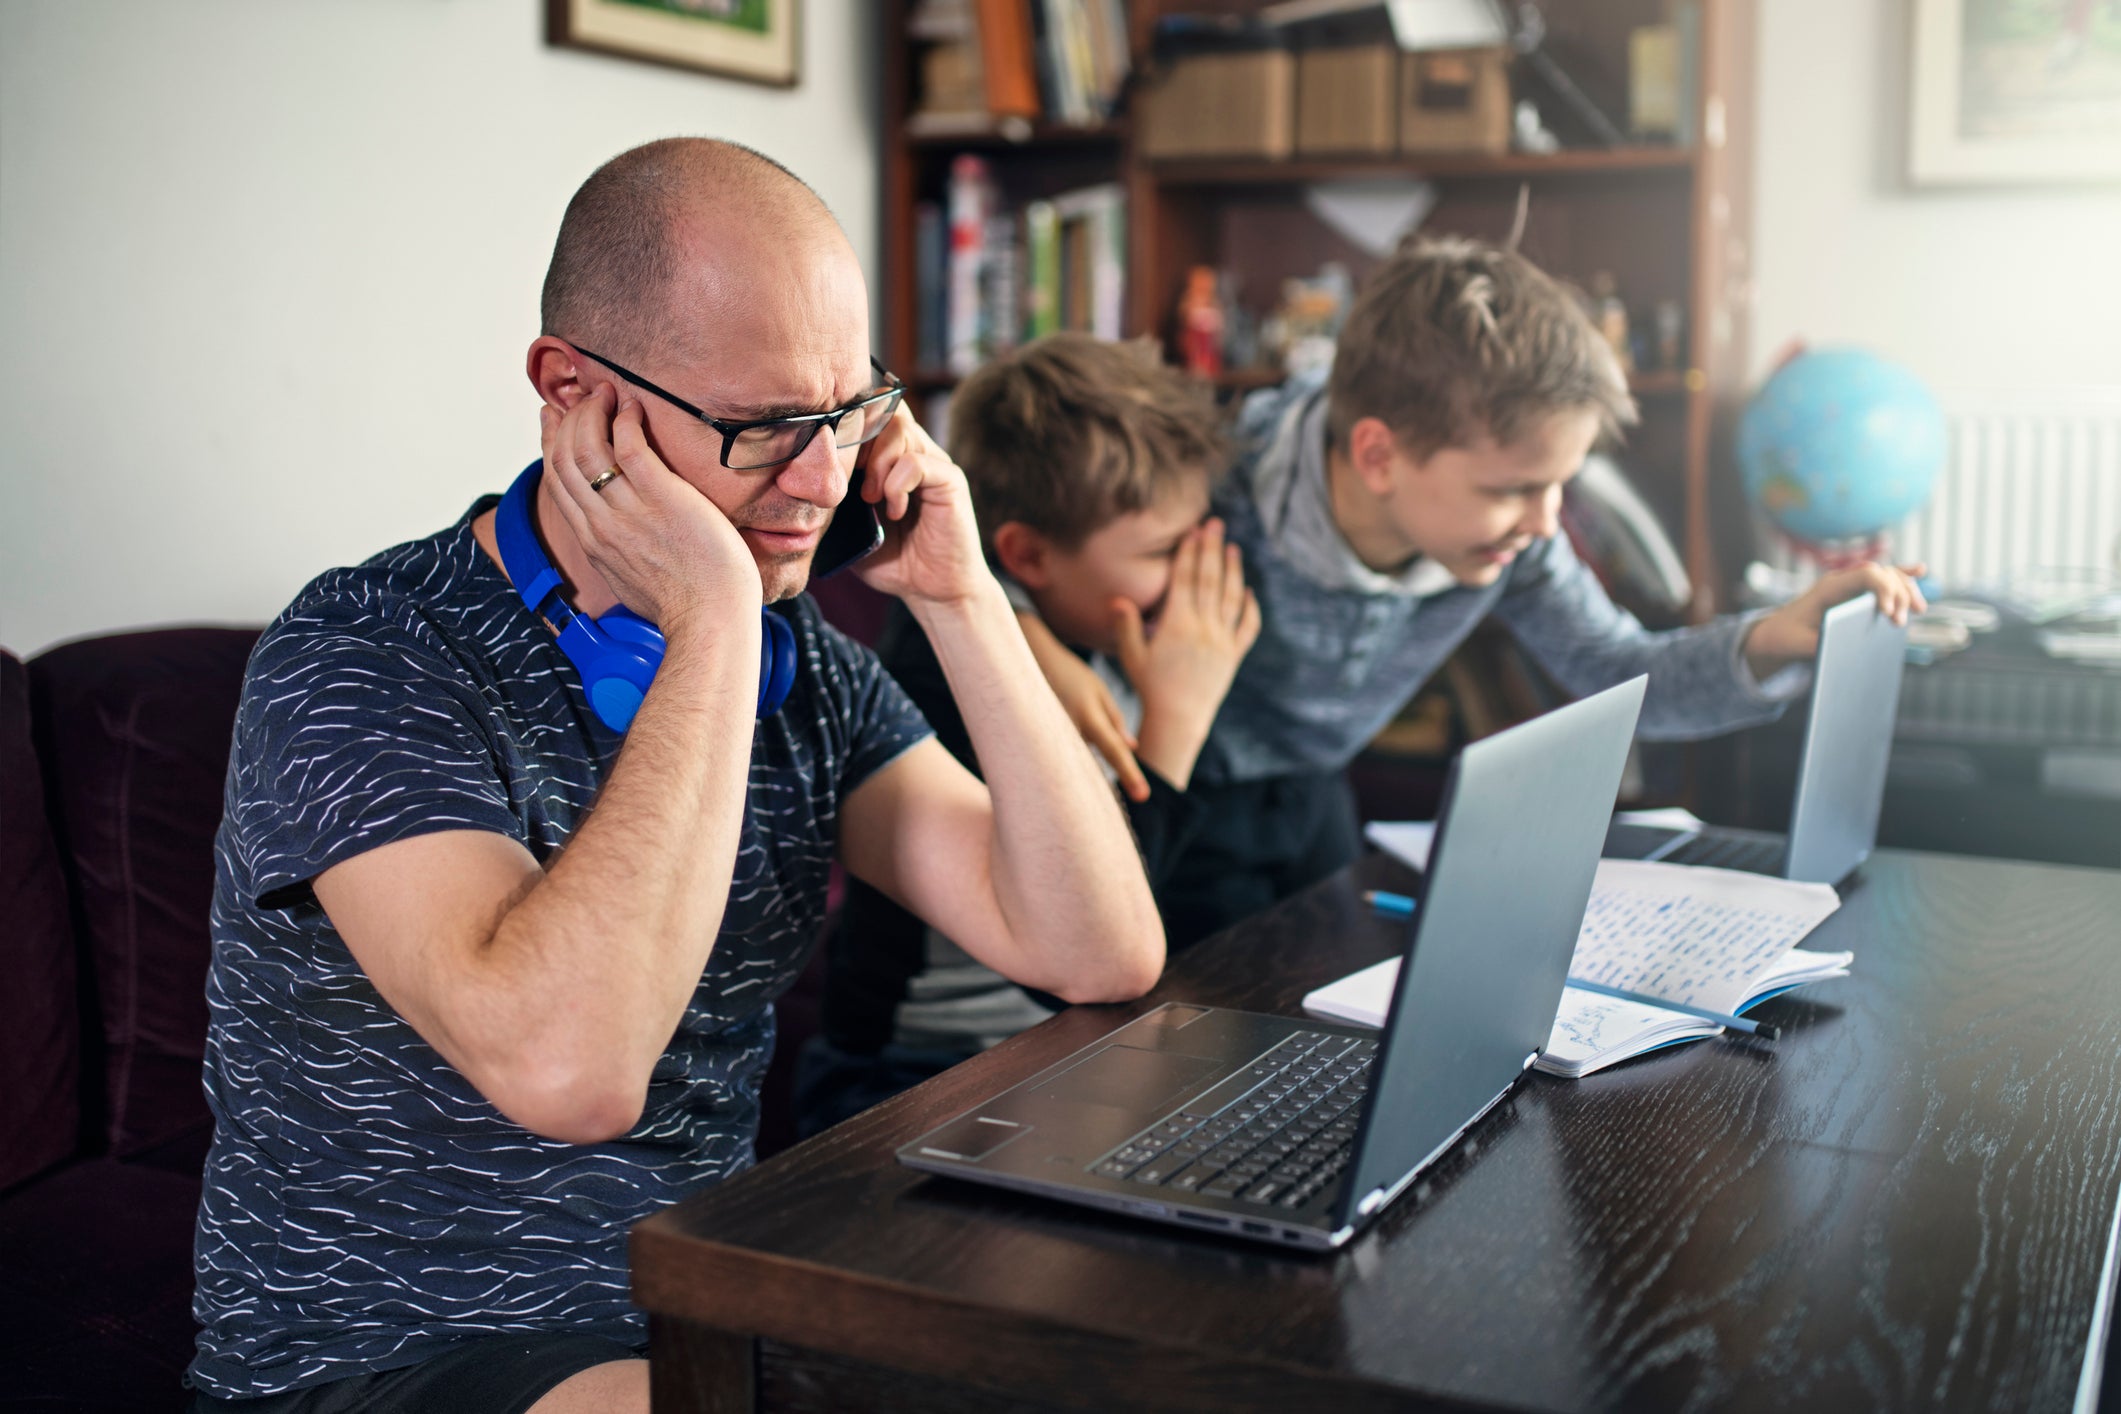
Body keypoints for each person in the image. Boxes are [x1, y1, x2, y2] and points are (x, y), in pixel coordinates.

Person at [185, 139, 1163, 1414]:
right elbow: (569, 1072)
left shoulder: (804, 661)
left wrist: (967, 601)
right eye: (761, 429)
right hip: (392, 1351)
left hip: (700, 1300)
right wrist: (709, 617)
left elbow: (1099, 951)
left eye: (848, 412)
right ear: (572, 391)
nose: (819, 481)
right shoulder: (361, 654)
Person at [1027, 236, 1925, 916]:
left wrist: (1769, 640)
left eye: (1559, 486)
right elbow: (977, 526)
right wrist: (1036, 644)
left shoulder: (1511, 543)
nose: (1544, 524)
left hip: (1312, 799)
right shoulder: (1212, 483)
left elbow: (1614, 669)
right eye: (1514, 489)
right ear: (1378, 455)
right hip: (1171, 805)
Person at [799, 335, 1258, 1135]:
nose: (1189, 580)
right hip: (916, 1073)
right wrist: (1177, 721)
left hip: (1060, 1047)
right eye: (1160, 552)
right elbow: (1096, 931)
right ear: (1027, 556)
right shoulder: (952, 665)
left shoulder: (1102, 633)